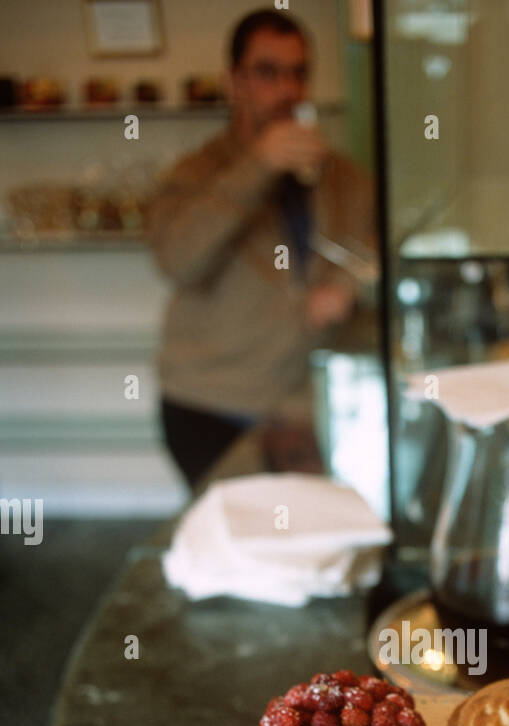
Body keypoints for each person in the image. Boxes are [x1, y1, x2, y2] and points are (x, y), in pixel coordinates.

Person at [148, 9, 375, 488]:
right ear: (235, 83)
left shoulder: (343, 177)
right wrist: (257, 166)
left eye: (298, 73)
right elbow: (178, 259)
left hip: (303, 407)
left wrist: (348, 282)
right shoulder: (194, 174)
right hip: (211, 404)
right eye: (268, 72)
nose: (288, 90)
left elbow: (379, 250)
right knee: (239, 546)